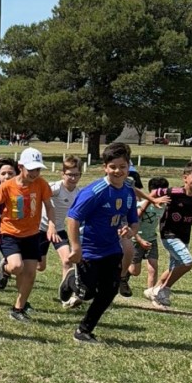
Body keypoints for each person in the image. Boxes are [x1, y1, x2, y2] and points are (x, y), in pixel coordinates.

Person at [59, 142, 139, 343]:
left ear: (128, 166)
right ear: (105, 167)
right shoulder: (95, 191)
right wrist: (76, 247)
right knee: (86, 293)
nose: (118, 171)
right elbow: (72, 218)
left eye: (122, 166)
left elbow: (133, 220)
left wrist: (130, 231)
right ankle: (69, 278)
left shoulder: (128, 190)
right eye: (113, 167)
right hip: (89, 249)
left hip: (112, 248)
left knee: (109, 290)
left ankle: (83, 330)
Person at [0, 147, 56, 321]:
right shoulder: (8, 186)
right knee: (16, 266)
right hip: (10, 233)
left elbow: (50, 207)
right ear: (21, 167)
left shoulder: (41, 184)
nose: (34, 173)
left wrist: (51, 225)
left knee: (30, 273)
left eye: (37, 169)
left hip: (32, 235)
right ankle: (5, 269)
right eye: (31, 169)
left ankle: (18, 308)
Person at [146, 161, 192, 308]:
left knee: (175, 267)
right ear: (185, 178)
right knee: (187, 262)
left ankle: (154, 290)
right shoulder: (173, 192)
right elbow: (155, 193)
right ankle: (164, 290)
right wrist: (153, 201)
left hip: (184, 236)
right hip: (169, 234)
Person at [37, 156, 82, 281]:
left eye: (76, 175)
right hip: (41, 229)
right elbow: (37, 195)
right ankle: (7, 264)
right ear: (63, 174)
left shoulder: (78, 193)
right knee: (40, 266)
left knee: (68, 261)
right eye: (69, 175)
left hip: (59, 230)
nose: (73, 178)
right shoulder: (55, 188)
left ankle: (66, 292)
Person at [125, 177, 168, 301]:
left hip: (152, 239)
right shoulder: (140, 206)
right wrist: (139, 240)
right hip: (136, 240)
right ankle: (123, 274)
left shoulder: (164, 206)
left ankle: (151, 292)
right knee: (134, 271)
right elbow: (131, 225)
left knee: (153, 267)